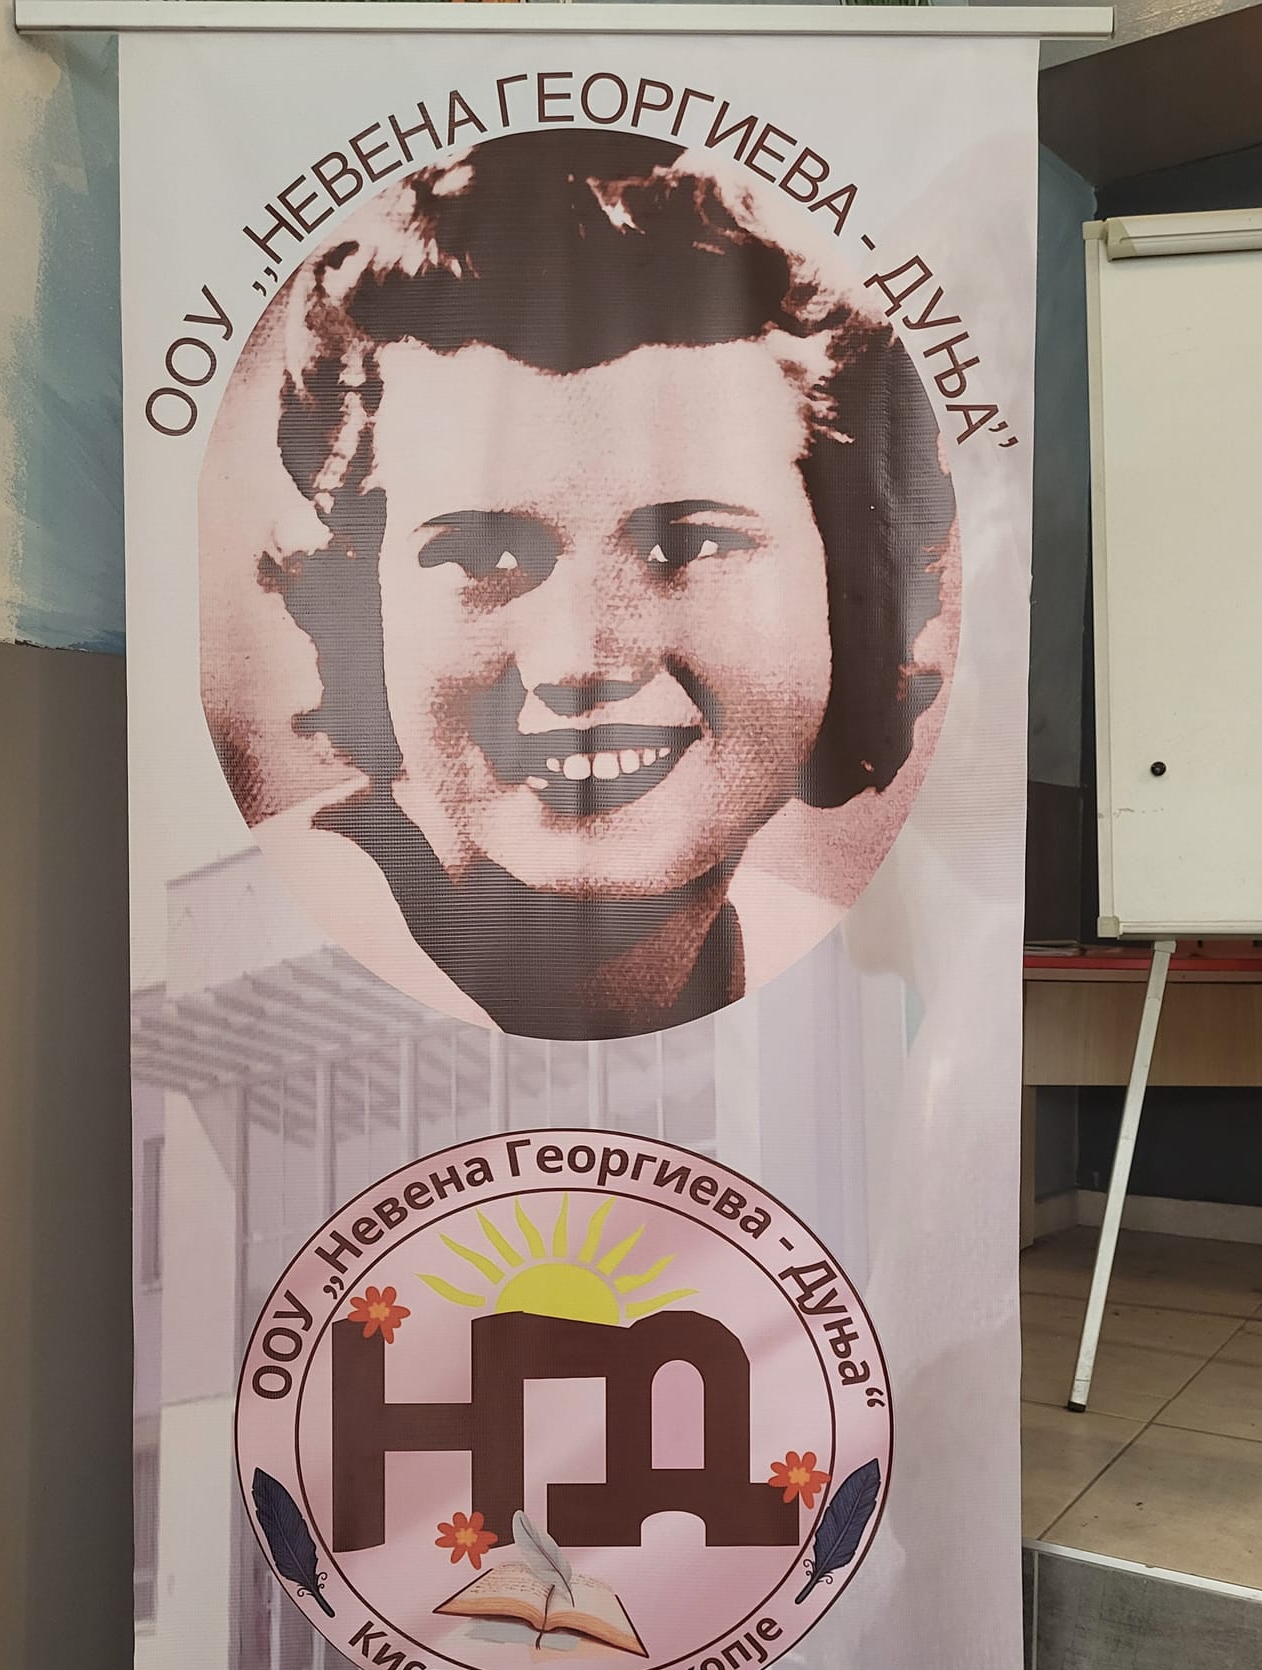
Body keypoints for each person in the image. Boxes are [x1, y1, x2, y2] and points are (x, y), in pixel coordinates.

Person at [209, 129, 957, 1039]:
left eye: (688, 545)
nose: (579, 659)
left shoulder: (838, 971)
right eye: (484, 558)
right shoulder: (255, 968)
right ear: (365, 606)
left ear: (847, 584)